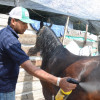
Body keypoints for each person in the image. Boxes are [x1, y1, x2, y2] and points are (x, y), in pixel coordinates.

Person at [0, 6, 77, 100]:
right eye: (24, 23)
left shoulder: (3, 33)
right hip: (4, 89)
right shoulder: (10, 41)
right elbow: (30, 68)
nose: (26, 27)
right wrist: (58, 81)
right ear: (13, 21)